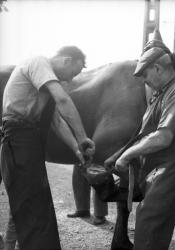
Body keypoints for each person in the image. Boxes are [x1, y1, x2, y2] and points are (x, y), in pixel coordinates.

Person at [0, 46, 95, 250]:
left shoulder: (44, 87)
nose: (70, 80)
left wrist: (77, 149)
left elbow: (57, 122)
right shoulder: (38, 62)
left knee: (30, 202)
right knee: (30, 204)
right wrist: (82, 137)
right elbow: (63, 99)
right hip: (18, 139)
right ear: (66, 60)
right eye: (73, 73)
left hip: (30, 143)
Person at [115, 45, 175, 249]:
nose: (144, 80)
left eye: (145, 74)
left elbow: (163, 137)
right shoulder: (162, 92)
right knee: (149, 219)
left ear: (157, 68)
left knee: (151, 220)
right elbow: (146, 132)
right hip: (158, 164)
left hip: (172, 164)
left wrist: (127, 155)